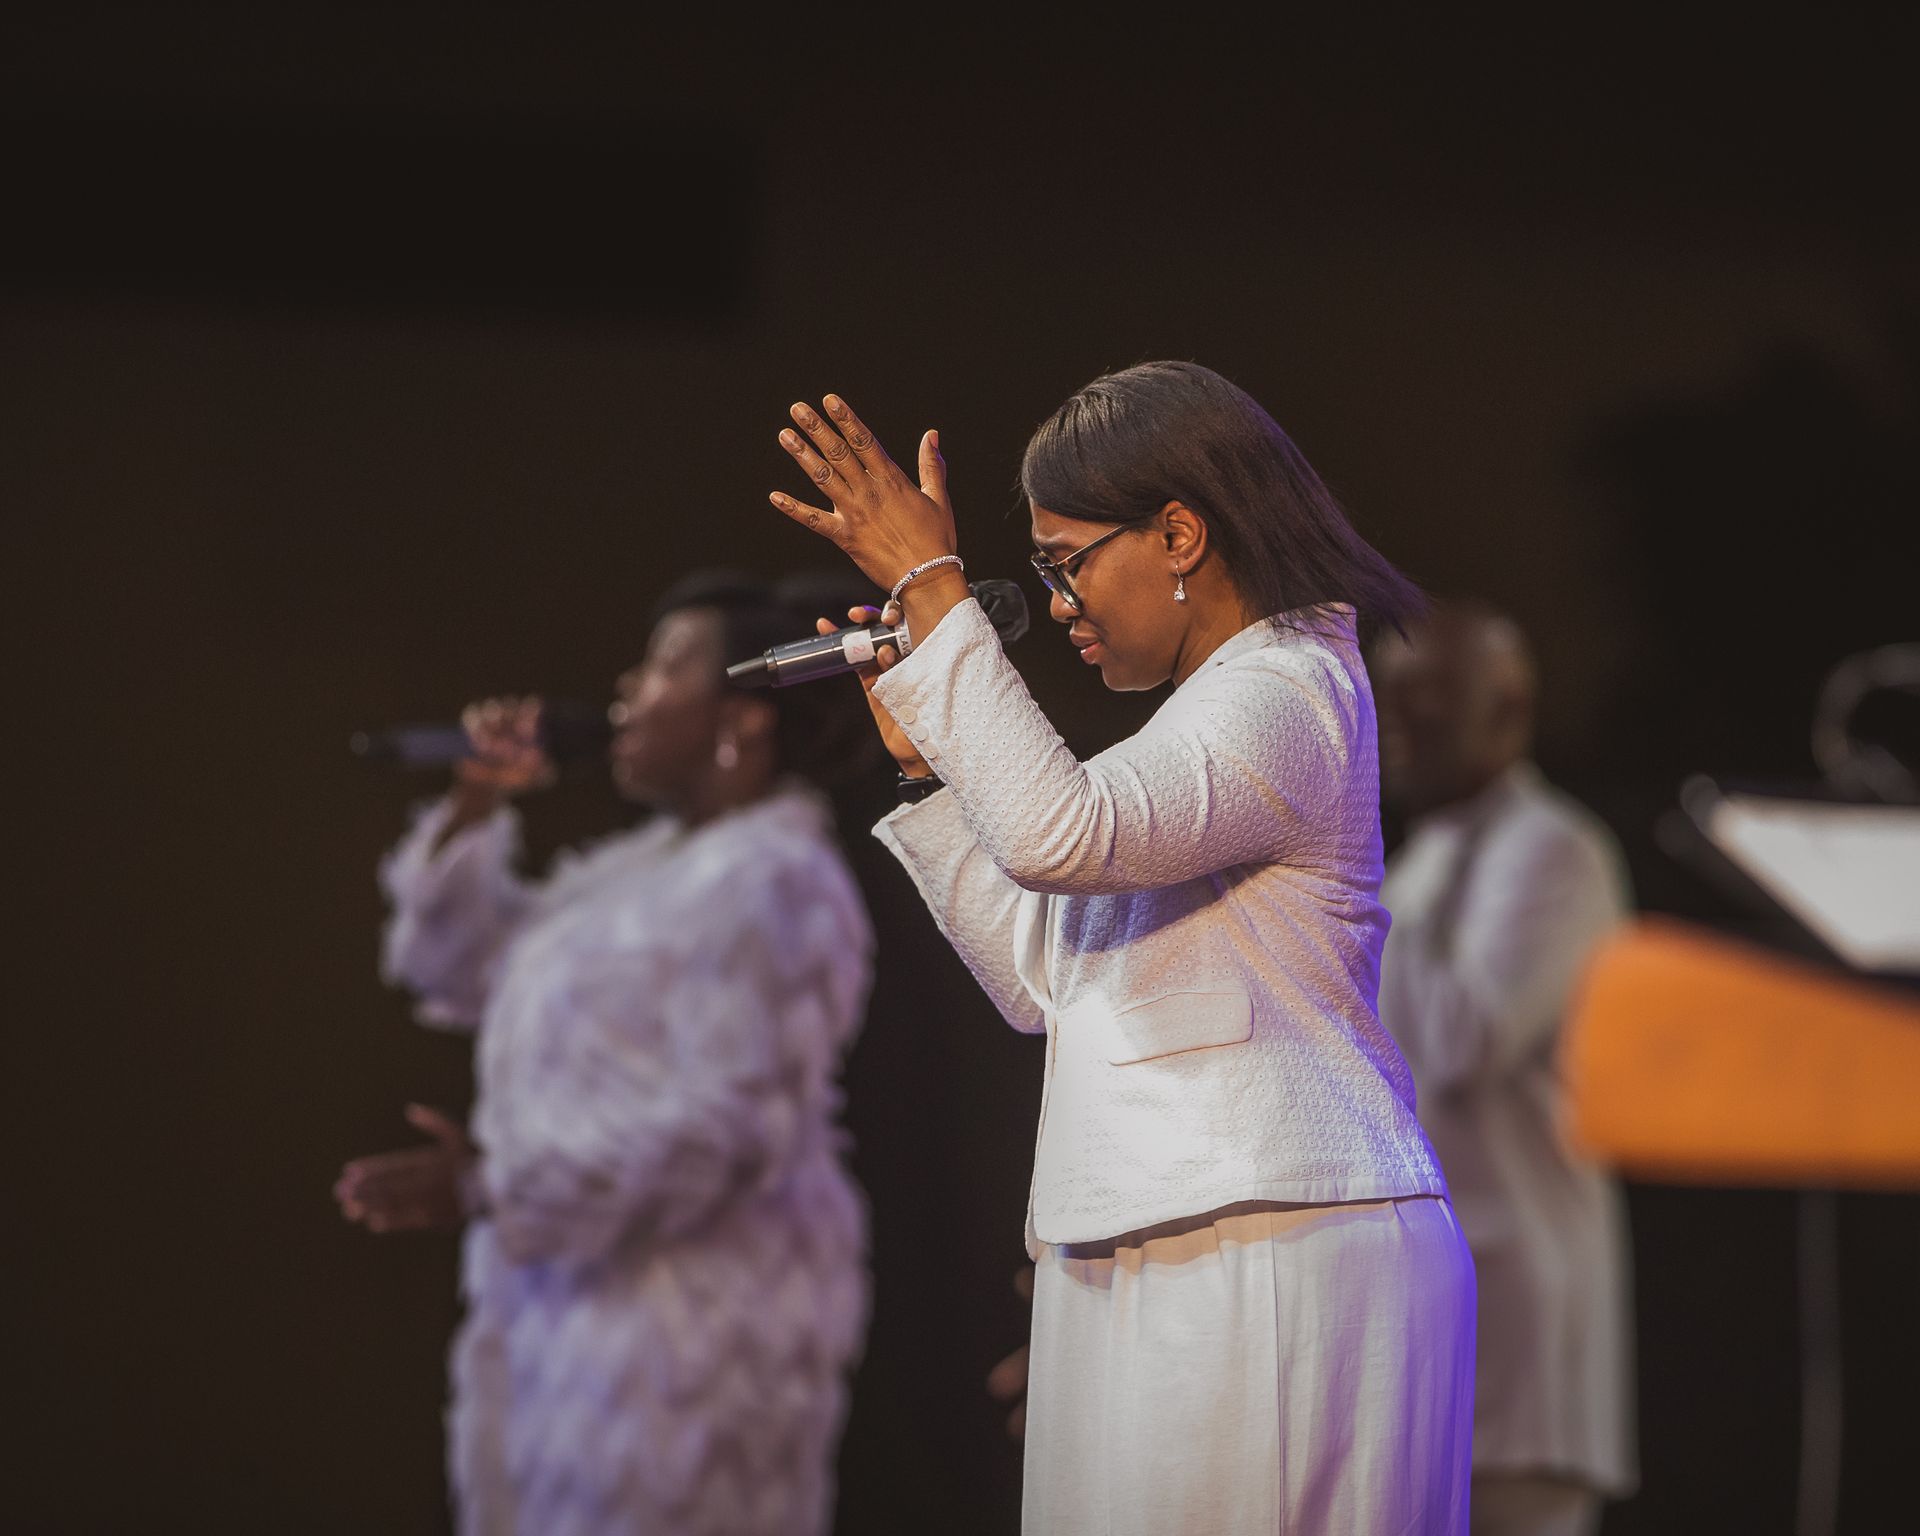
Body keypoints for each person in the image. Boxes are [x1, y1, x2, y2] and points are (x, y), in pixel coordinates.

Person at [769, 362, 1477, 1534]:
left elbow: (1060, 831)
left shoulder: (1291, 691)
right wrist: (924, 769)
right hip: (1161, 1231)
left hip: (1272, 1234)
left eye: (1065, 561)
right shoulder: (1203, 719)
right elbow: (1040, 978)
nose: (1055, 604)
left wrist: (933, 588)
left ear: (1181, 532)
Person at [334, 572, 876, 1536]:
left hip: (686, 1352)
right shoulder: (632, 875)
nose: (625, 686)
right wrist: (473, 805)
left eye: (666, 666)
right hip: (559, 1332)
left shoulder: (777, 880)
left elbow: (731, 1130)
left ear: (741, 721)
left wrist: (493, 1187)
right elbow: (451, 972)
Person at [1372, 603, 1637, 1536]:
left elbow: (1461, 1039)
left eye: (1428, 694)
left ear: (1510, 705)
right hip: (1425, 1326)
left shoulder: (1553, 849)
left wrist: (1337, 883)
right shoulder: (1417, 866)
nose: (1393, 719)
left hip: (1518, 1332)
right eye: (1385, 693)